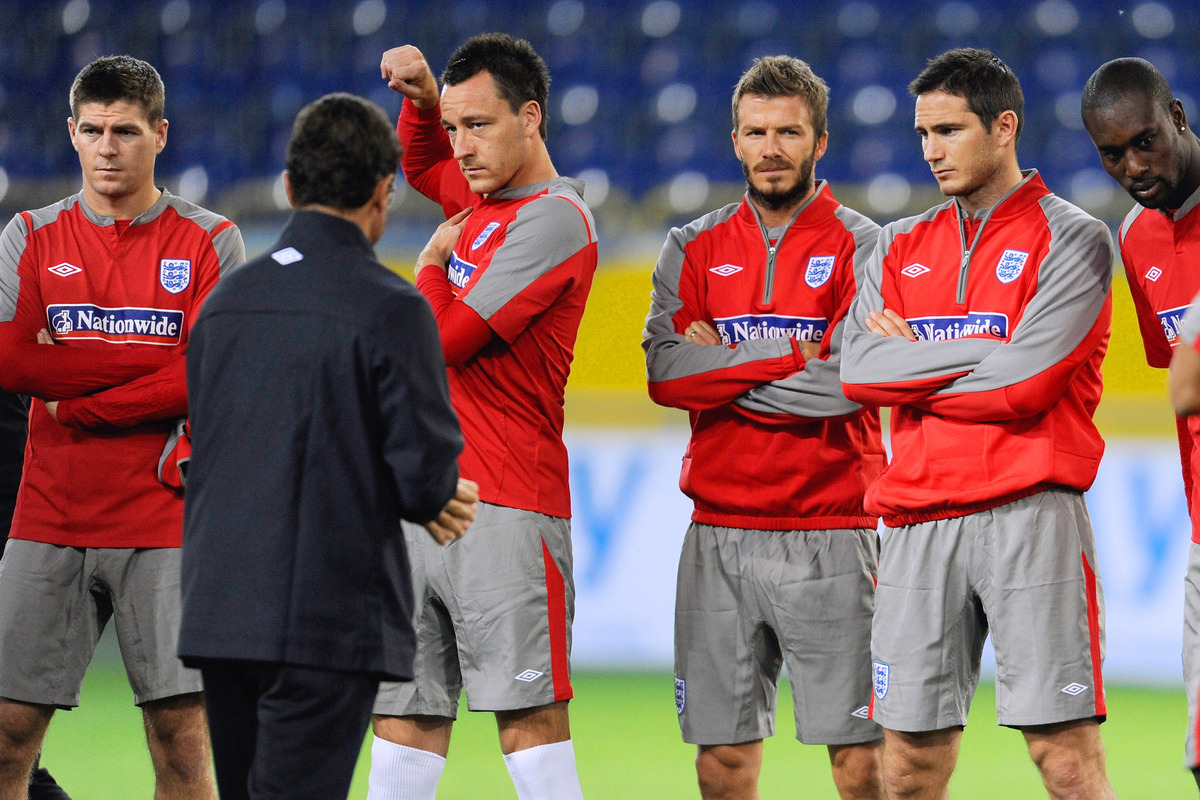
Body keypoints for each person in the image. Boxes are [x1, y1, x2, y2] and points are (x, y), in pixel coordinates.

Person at [177, 91, 479, 800]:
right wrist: (434, 494)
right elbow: (423, 478)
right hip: (322, 617)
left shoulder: (224, 306)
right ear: (384, 191)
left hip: (220, 612)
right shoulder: (392, 306)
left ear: (288, 186)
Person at [839, 48, 1116, 799]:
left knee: (1065, 760)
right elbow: (859, 373)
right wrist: (987, 350)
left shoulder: (1076, 239)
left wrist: (918, 365)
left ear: (1004, 128)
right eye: (922, 133)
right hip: (919, 523)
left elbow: (1025, 388)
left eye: (949, 131)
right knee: (905, 768)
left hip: (1032, 517)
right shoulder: (895, 245)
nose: (930, 151)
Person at [0, 55, 244, 798]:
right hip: (49, 515)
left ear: (160, 135)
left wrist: (83, 396)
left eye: (127, 131)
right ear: (72, 134)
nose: (109, 147)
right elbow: (13, 363)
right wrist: (150, 374)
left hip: (165, 519)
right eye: (95, 130)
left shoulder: (211, 240)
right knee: (6, 734)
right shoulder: (29, 234)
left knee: (183, 743)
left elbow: (208, 375)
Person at [642, 55, 885, 800]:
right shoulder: (691, 245)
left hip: (834, 530)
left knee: (860, 763)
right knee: (721, 765)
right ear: (735, 139)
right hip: (718, 533)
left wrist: (723, 371)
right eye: (756, 132)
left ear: (820, 141)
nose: (771, 148)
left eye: (789, 131)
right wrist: (788, 353)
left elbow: (849, 384)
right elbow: (663, 374)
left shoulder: (866, 245)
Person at [368, 33, 597, 800]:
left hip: (504, 503)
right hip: (419, 501)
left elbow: (444, 341)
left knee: (526, 723)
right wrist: (425, 102)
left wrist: (429, 267)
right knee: (402, 719)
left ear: (530, 118)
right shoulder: (485, 199)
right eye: (458, 127)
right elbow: (423, 164)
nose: (462, 148)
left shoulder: (555, 219)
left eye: (481, 125)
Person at [1080, 57, 1200, 791]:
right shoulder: (1137, 238)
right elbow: (1177, 377)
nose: (1134, 165)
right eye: (1112, 152)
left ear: (1178, 118)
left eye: (1146, 141)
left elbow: (1188, 387)